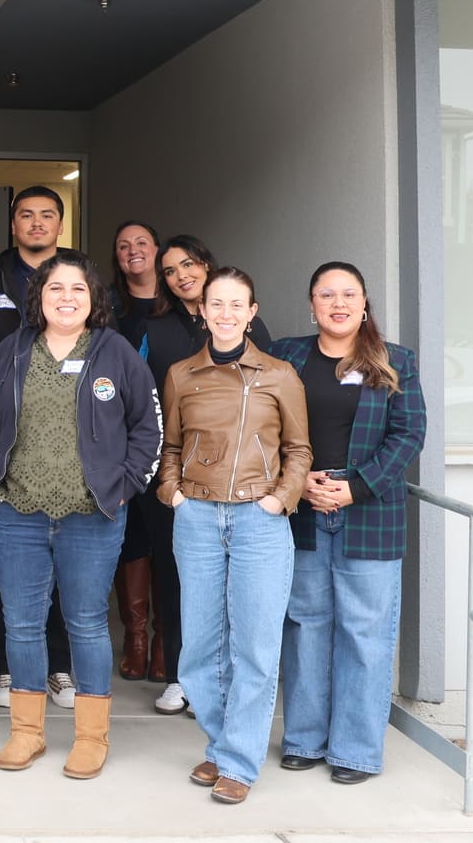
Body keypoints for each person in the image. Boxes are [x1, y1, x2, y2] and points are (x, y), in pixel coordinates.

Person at [0, 253, 161, 778]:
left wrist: (125, 486)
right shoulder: (13, 351)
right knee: (22, 623)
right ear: (39, 297)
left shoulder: (116, 352)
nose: (66, 297)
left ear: (93, 297)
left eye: (78, 288)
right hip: (19, 510)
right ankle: (26, 733)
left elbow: (148, 426)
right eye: (55, 288)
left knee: (87, 622)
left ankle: (91, 737)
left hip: (93, 512)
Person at [270, 262, 428, 786]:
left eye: (348, 294)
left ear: (364, 304)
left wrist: (356, 486)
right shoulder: (288, 356)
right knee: (305, 626)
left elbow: (408, 435)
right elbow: (265, 426)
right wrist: (297, 482)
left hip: (370, 511)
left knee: (365, 633)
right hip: (305, 508)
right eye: (326, 294)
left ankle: (356, 751)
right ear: (311, 304)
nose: (338, 304)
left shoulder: (395, 360)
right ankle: (304, 740)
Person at [158, 266, 310, 805]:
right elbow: (170, 445)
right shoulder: (181, 374)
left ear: (252, 313)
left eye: (236, 304)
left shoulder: (280, 375)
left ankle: (239, 762)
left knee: (254, 646)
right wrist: (172, 493)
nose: (225, 313)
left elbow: (298, 449)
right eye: (215, 304)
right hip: (197, 517)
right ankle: (222, 746)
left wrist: (279, 499)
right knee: (200, 648)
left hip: (258, 520)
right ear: (202, 311)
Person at [0, 187, 79, 709]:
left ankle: (60, 667)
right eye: (26, 215)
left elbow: (101, 345)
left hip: (69, 443)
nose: (37, 223)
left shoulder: (79, 276)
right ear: (13, 224)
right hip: (5, 440)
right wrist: (1, 391)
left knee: (65, 559)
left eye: (47, 215)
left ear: (60, 224)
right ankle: (6, 668)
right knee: (10, 558)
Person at [137, 233, 275, 715]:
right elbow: (143, 402)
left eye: (188, 264)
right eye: (170, 270)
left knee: (235, 588)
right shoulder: (155, 329)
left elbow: (273, 407)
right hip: (179, 478)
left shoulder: (247, 325)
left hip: (242, 483)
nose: (181, 276)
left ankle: (224, 682)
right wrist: (167, 484)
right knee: (178, 581)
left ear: (207, 264)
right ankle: (181, 678)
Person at [108, 220, 161, 685]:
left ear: (157, 250)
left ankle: (163, 642)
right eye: (123, 246)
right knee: (132, 535)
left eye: (141, 242)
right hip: (121, 437)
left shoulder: (182, 305)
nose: (133, 251)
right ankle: (136, 638)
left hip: (176, 437)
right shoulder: (109, 307)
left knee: (168, 538)